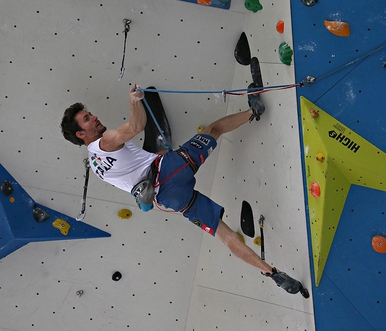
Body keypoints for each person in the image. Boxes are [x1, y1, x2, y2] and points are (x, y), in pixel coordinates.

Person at [60, 83, 309, 298]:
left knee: (223, 233)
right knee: (213, 129)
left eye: (90, 113)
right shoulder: (105, 141)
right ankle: (254, 110)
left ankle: (273, 273)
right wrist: (135, 102)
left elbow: (133, 173)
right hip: (171, 172)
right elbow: (137, 126)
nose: (94, 117)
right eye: (87, 119)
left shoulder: (96, 167)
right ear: (81, 134)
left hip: (169, 199)